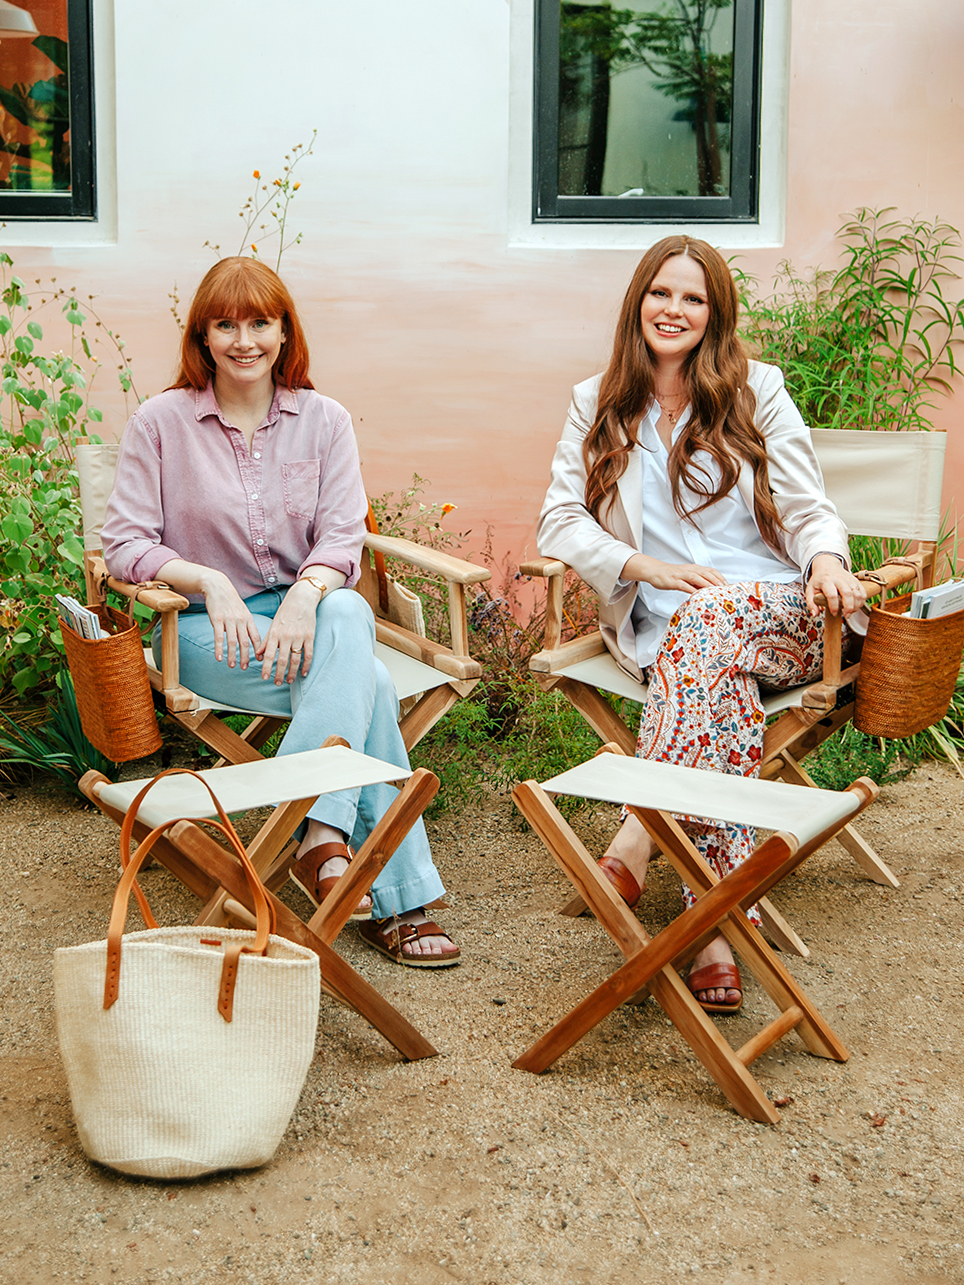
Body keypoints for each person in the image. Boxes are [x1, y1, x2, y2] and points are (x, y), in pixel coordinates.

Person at [538, 235, 866, 1012]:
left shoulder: (759, 390)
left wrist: (824, 559)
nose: (674, 309)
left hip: (780, 616)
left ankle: (640, 831)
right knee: (710, 665)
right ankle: (715, 921)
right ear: (638, 303)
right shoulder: (599, 401)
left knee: (713, 614)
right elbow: (558, 521)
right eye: (661, 293)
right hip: (669, 629)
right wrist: (642, 566)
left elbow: (807, 503)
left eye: (693, 297)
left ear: (714, 313)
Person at [101, 257, 459, 967]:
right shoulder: (160, 424)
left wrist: (305, 592)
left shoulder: (324, 421)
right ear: (202, 335)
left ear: (283, 328)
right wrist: (210, 581)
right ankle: (397, 898)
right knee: (373, 685)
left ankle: (317, 830)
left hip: (312, 617)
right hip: (204, 628)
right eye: (226, 324)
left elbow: (341, 536)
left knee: (346, 615)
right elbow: (123, 545)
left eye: (260, 322)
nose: (244, 339)